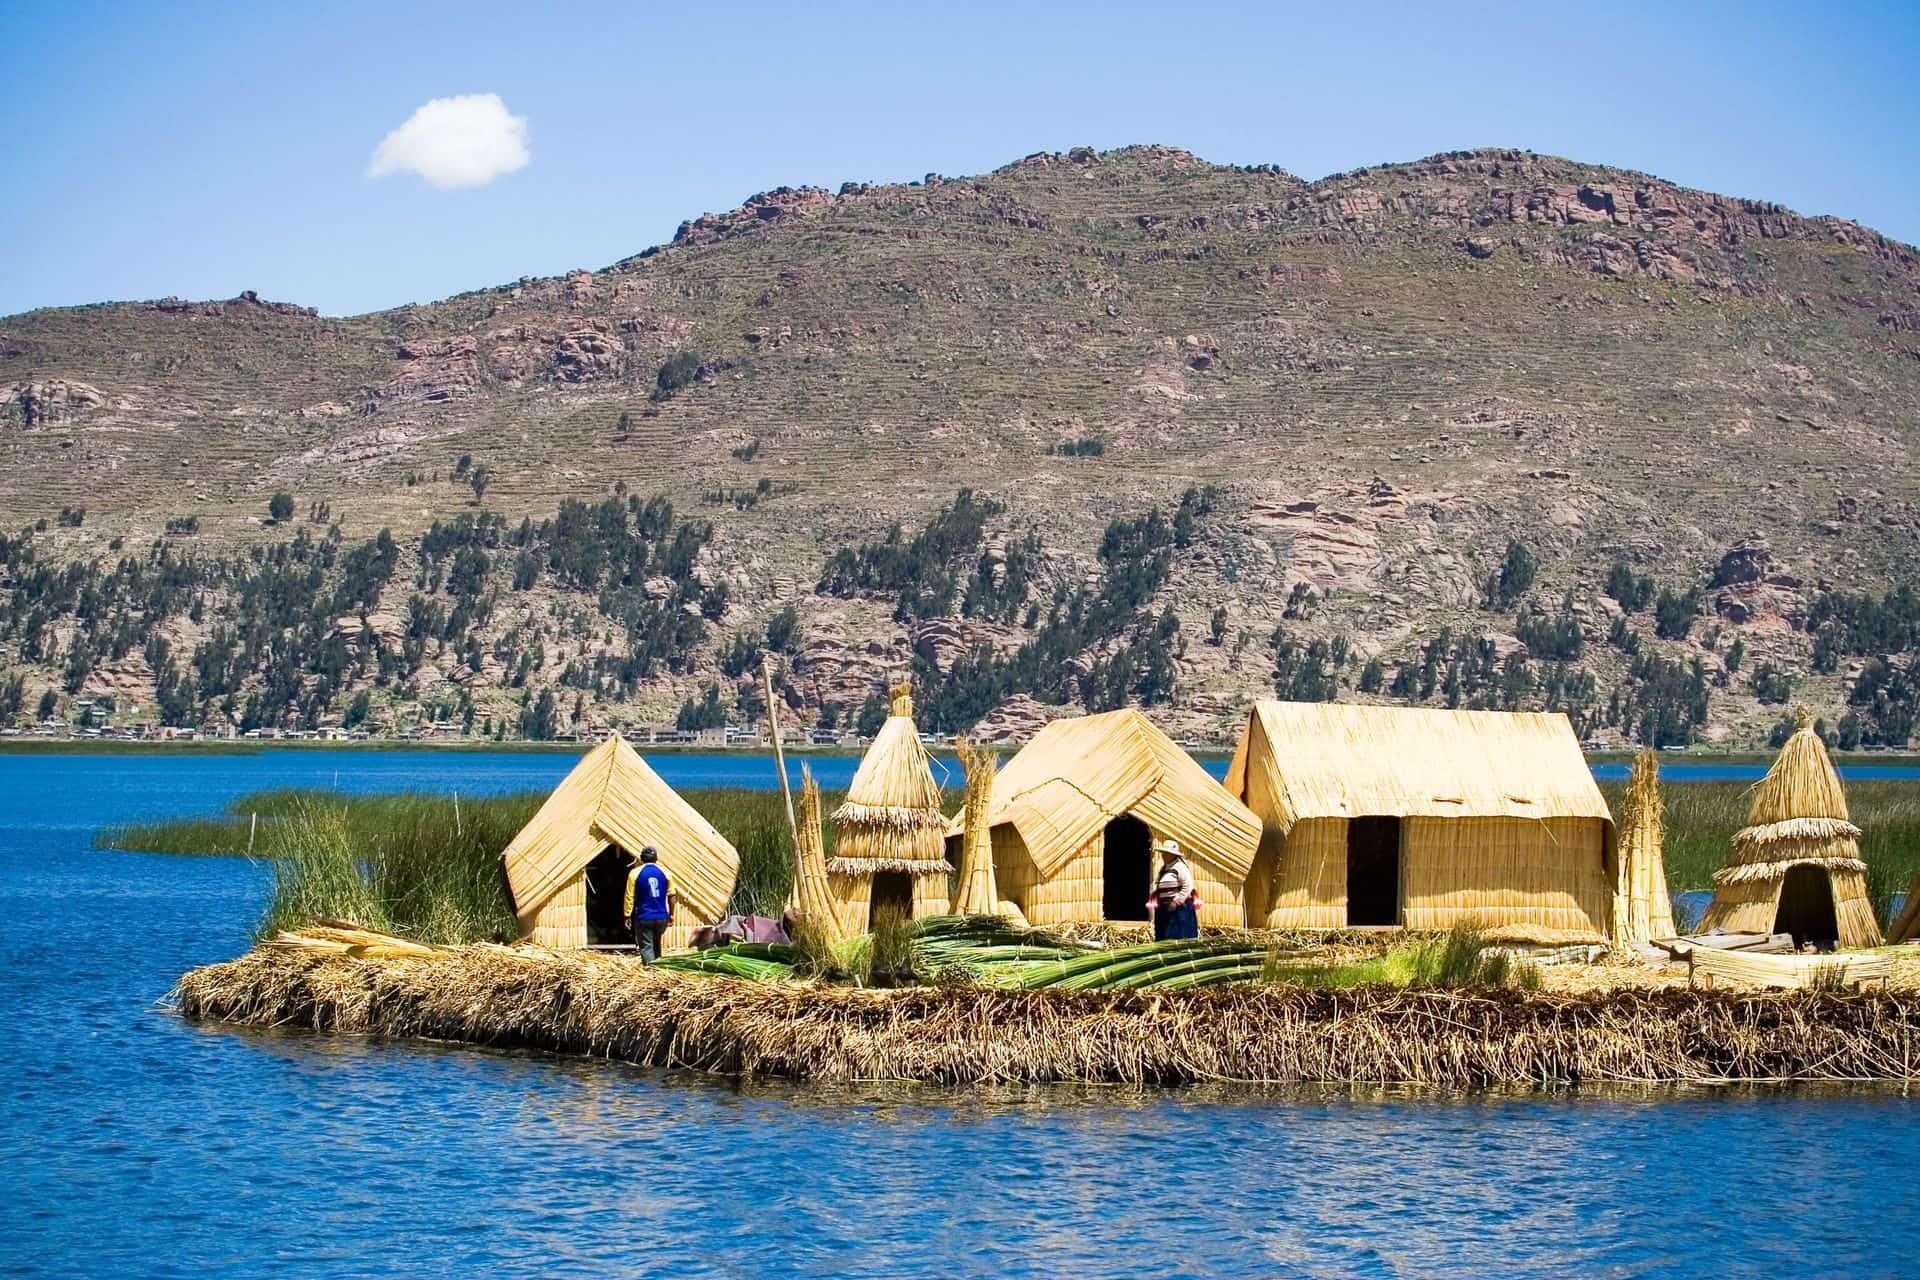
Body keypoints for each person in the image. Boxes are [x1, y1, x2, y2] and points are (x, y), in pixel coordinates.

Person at [624, 845, 673, 963]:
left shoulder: (634, 873)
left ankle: (651, 973)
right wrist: (671, 914)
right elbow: (672, 895)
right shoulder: (666, 872)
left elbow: (629, 896)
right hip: (661, 917)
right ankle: (659, 969)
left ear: (641, 859)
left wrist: (627, 914)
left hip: (644, 917)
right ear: (656, 858)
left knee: (647, 947)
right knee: (656, 945)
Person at [1146, 838, 1200, 941]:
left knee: (1180, 935)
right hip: (1165, 908)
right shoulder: (1165, 868)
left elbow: (1188, 885)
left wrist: (1177, 901)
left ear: (1173, 855)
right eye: (1163, 853)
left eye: (1166, 853)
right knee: (1164, 936)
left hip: (1179, 909)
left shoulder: (1180, 867)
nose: (1163, 855)